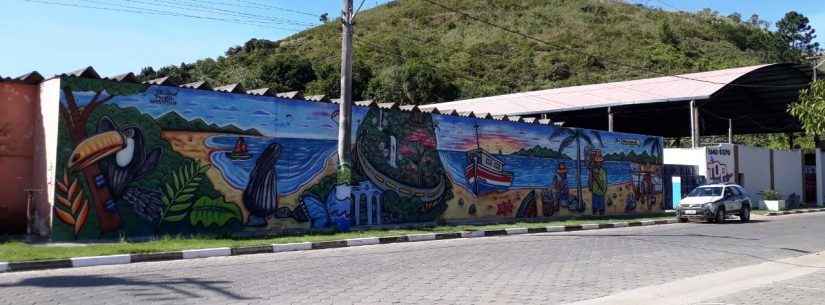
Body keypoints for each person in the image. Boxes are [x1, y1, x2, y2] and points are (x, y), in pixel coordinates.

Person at [588, 150, 608, 216]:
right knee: (595, 204)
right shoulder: (593, 171)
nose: (599, 163)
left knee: (601, 205)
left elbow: (605, 180)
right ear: (595, 162)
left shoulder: (603, 171)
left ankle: (601, 214)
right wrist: (590, 186)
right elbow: (590, 179)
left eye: (600, 162)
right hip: (595, 189)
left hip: (602, 190)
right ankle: (595, 214)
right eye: (597, 162)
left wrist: (605, 188)